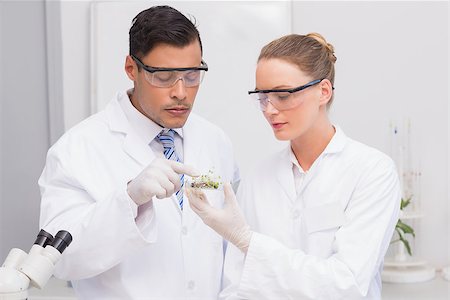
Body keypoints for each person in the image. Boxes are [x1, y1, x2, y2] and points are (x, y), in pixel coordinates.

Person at [39, 5, 239, 299]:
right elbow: (62, 262)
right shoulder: (77, 149)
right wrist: (130, 199)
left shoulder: (215, 140)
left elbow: (229, 250)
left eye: (192, 75)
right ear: (131, 68)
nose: (181, 92)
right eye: (163, 77)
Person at [186, 33, 400, 299]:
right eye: (263, 97)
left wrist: (249, 242)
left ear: (323, 91)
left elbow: (346, 285)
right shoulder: (258, 177)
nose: (269, 109)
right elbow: (235, 287)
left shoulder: (373, 171)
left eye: (283, 96)